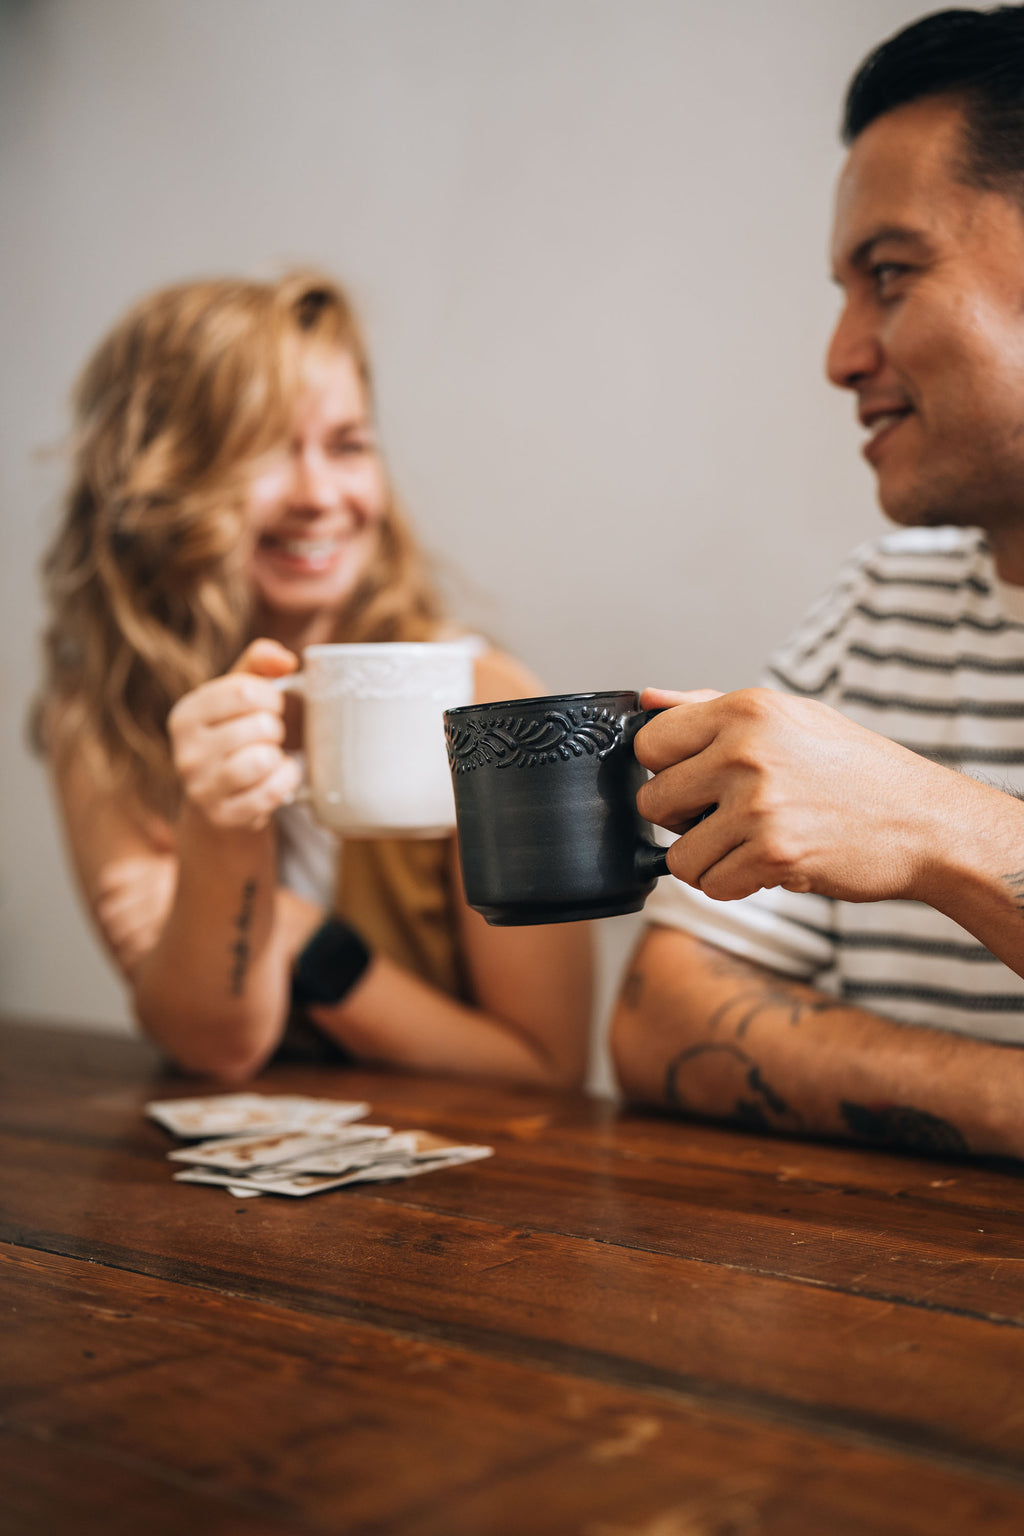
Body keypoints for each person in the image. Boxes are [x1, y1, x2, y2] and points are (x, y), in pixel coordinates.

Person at [611, 6, 1024, 1159]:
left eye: (888, 277)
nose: (840, 356)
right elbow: (661, 1016)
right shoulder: (879, 605)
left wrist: (939, 828)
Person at [37, 270, 591, 1086]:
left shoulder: (490, 704)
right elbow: (219, 1045)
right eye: (262, 450)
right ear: (159, 480)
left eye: (348, 445)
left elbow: (547, 1067)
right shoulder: (102, 725)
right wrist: (222, 827)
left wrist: (306, 940)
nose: (320, 495)